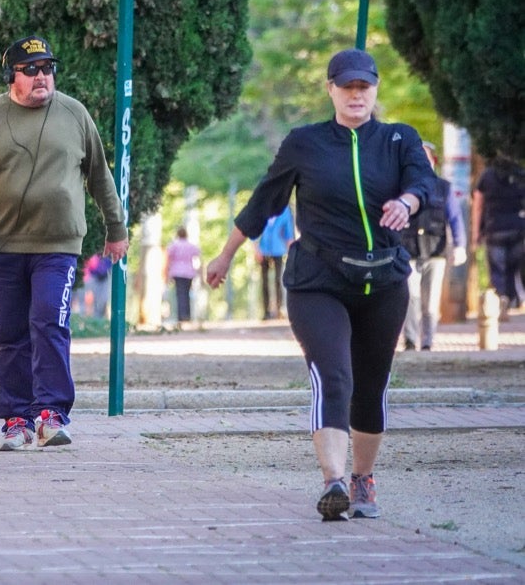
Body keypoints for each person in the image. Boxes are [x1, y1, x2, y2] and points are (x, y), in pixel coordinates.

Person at [204, 48, 435, 522]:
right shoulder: (305, 143)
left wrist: (408, 202)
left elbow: (424, 182)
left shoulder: (399, 139)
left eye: (363, 87)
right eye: (346, 86)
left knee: (369, 387)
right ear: (330, 89)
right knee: (334, 375)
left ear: (375, 90)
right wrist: (225, 253)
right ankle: (332, 480)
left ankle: (362, 479)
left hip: (385, 280)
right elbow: (263, 202)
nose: (356, 94)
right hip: (319, 280)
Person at [0, 35, 128, 452]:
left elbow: (100, 176)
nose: (42, 76)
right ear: (12, 76)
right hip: (1, 246)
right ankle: (16, 418)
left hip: (58, 245)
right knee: (11, 334)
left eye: (48, 68)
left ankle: (51, 414)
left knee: (48, 320)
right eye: (31, 70)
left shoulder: (75, 114)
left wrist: (115, 229)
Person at [400, 142, 467, 350]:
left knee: (430, 302)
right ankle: (410, 340)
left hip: (435, 250)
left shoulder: (443, 187)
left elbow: (455, 218)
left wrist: (459, 245)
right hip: (408, 249)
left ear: (432, 161)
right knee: (410, 298)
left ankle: (428, 341)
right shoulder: (399, 187)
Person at [472, 154, 525, 321]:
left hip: (494, 228)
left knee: (497, 269)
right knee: (513, 268)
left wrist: (476, 233)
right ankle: (512, 299)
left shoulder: (487, 175)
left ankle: (501, 296)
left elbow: (478, 206)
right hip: (518, 227)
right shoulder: (520, 174)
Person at [255, 206, 294, 320]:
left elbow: (289, 233)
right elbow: (254, 230)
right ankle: (266, 311)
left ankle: (279, 309)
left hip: (279, 249)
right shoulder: (262, 206)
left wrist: (292, 251)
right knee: (264, 281)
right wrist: (256, 248)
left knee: (279, 279)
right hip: (263, 249)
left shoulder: (285, 210)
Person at [165, 226, 201, 328]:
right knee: (186, 293)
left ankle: (182, 316)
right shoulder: (191, 246)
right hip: (189, 272)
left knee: (180, 294)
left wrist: (167, 273)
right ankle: (187, 315)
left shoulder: (174, 246)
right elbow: (197, 257)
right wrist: (199, 273)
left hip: (177, 272)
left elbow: (168, 259)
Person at [84, 253, 113, 318]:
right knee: (94, 299)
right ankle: (96, 317)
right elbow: (91, 266)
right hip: (94, 278)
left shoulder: (108, 256)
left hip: (104, 279)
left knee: (104, 299)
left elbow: (110, 266)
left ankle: (100, 316)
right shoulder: (95, 255)